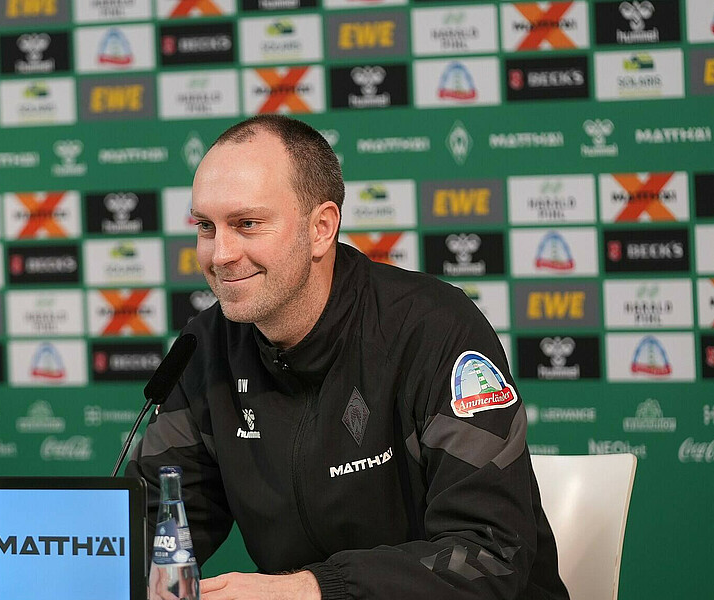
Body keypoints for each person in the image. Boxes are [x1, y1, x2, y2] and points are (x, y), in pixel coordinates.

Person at [126, 115, 569, 600]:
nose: (219, 254)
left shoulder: (433, 329)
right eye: (206, 227)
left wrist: (315, 590)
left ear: (321, 228)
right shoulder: (208, 346)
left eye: (247, 224)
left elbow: (489, 553)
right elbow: (149, 528)